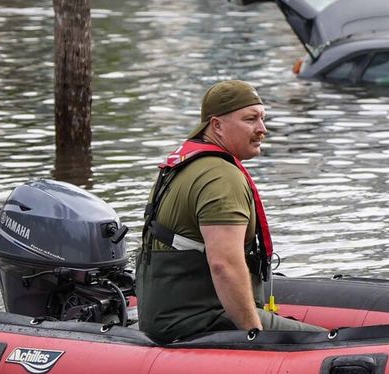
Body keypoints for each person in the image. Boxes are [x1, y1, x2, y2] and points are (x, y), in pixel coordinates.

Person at [135, 80, 323, 343]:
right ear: (217, 126)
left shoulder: (184, 165)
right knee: (328, 343)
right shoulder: (221, 177)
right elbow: (224, 265)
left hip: (167, 318)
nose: (263, 129)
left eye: (262, 118)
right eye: (250, 119)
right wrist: (256, 336)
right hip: (201, 320)